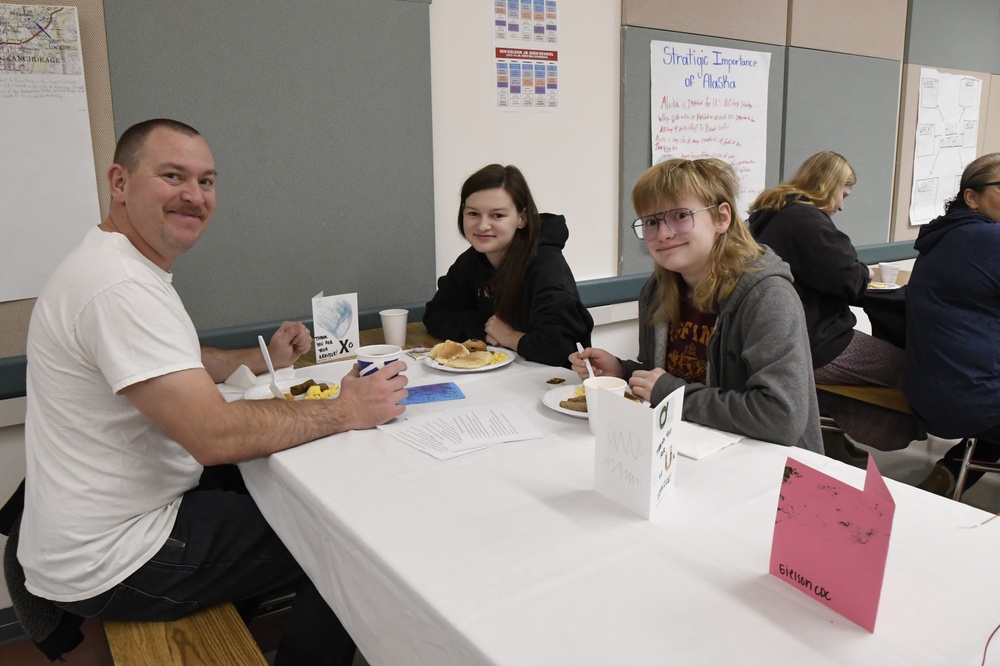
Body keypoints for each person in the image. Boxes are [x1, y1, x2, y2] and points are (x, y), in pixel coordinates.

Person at [19, 119, 408, 665]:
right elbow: (214, 436)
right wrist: (345, 408)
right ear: (120, 181)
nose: (194, 195)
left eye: (206, 181)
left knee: (277, 499)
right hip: (119, 555)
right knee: (348, 543)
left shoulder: (111, 261)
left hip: (101, 528)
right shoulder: (119, 286)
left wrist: (260, 359)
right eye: (172, 175)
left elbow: (176, 359)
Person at [571, 158, 822, 452]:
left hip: (770, 469)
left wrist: (671, 394)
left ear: (722, 218)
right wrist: (623, 372)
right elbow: (663, 377)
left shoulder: (767, 296)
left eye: (680, 215)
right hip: (689, 451)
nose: (663, 233)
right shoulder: (656, 292)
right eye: (651, 221)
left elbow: (780, 418)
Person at [747, 151, 916, 458]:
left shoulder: (766, 215)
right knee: (912, 369)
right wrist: (863, 272)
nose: (840, 205)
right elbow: (850, 280)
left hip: (773, 344)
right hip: (814, 345)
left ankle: (840, 447)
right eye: (843, 194)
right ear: (829, 185)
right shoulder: (806, 220)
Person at [423, 164, 593, 367]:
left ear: (522, 218)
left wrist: (509, 336)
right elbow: (436, 315)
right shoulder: (472, 259)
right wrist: (485, 328)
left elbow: (559, 348)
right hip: (499, 378)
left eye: (497, 215)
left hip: (551, 383)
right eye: (473, 214)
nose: (483, 225)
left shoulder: (546, 264)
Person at [904, 152, 1000, 497]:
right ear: (971, 197)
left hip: (931, 393)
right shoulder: (990, 239)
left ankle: (949, 472)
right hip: (975, 399)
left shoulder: (941, 237)